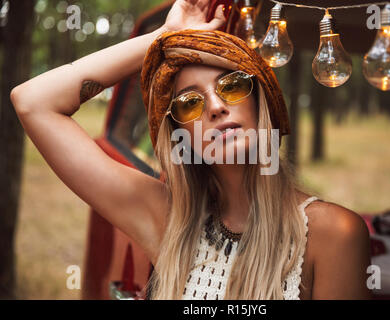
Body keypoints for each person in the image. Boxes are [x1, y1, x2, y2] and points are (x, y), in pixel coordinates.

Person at [10, 0, 371, 300]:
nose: (214, 106)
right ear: (181, 134)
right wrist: (163, 38)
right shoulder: (167, 219)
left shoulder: (333, 233)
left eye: (231, 85)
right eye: (189, 103)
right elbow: (33, 102)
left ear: (263, 102)